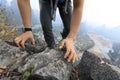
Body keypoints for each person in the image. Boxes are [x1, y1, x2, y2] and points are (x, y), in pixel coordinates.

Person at [14, 0, 84, 63]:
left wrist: (71, 38)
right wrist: (27, 30)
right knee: (46, 27)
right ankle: (52, 48)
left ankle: (65, 42)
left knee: (70, 28)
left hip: (64, 1)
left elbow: (78, 6)